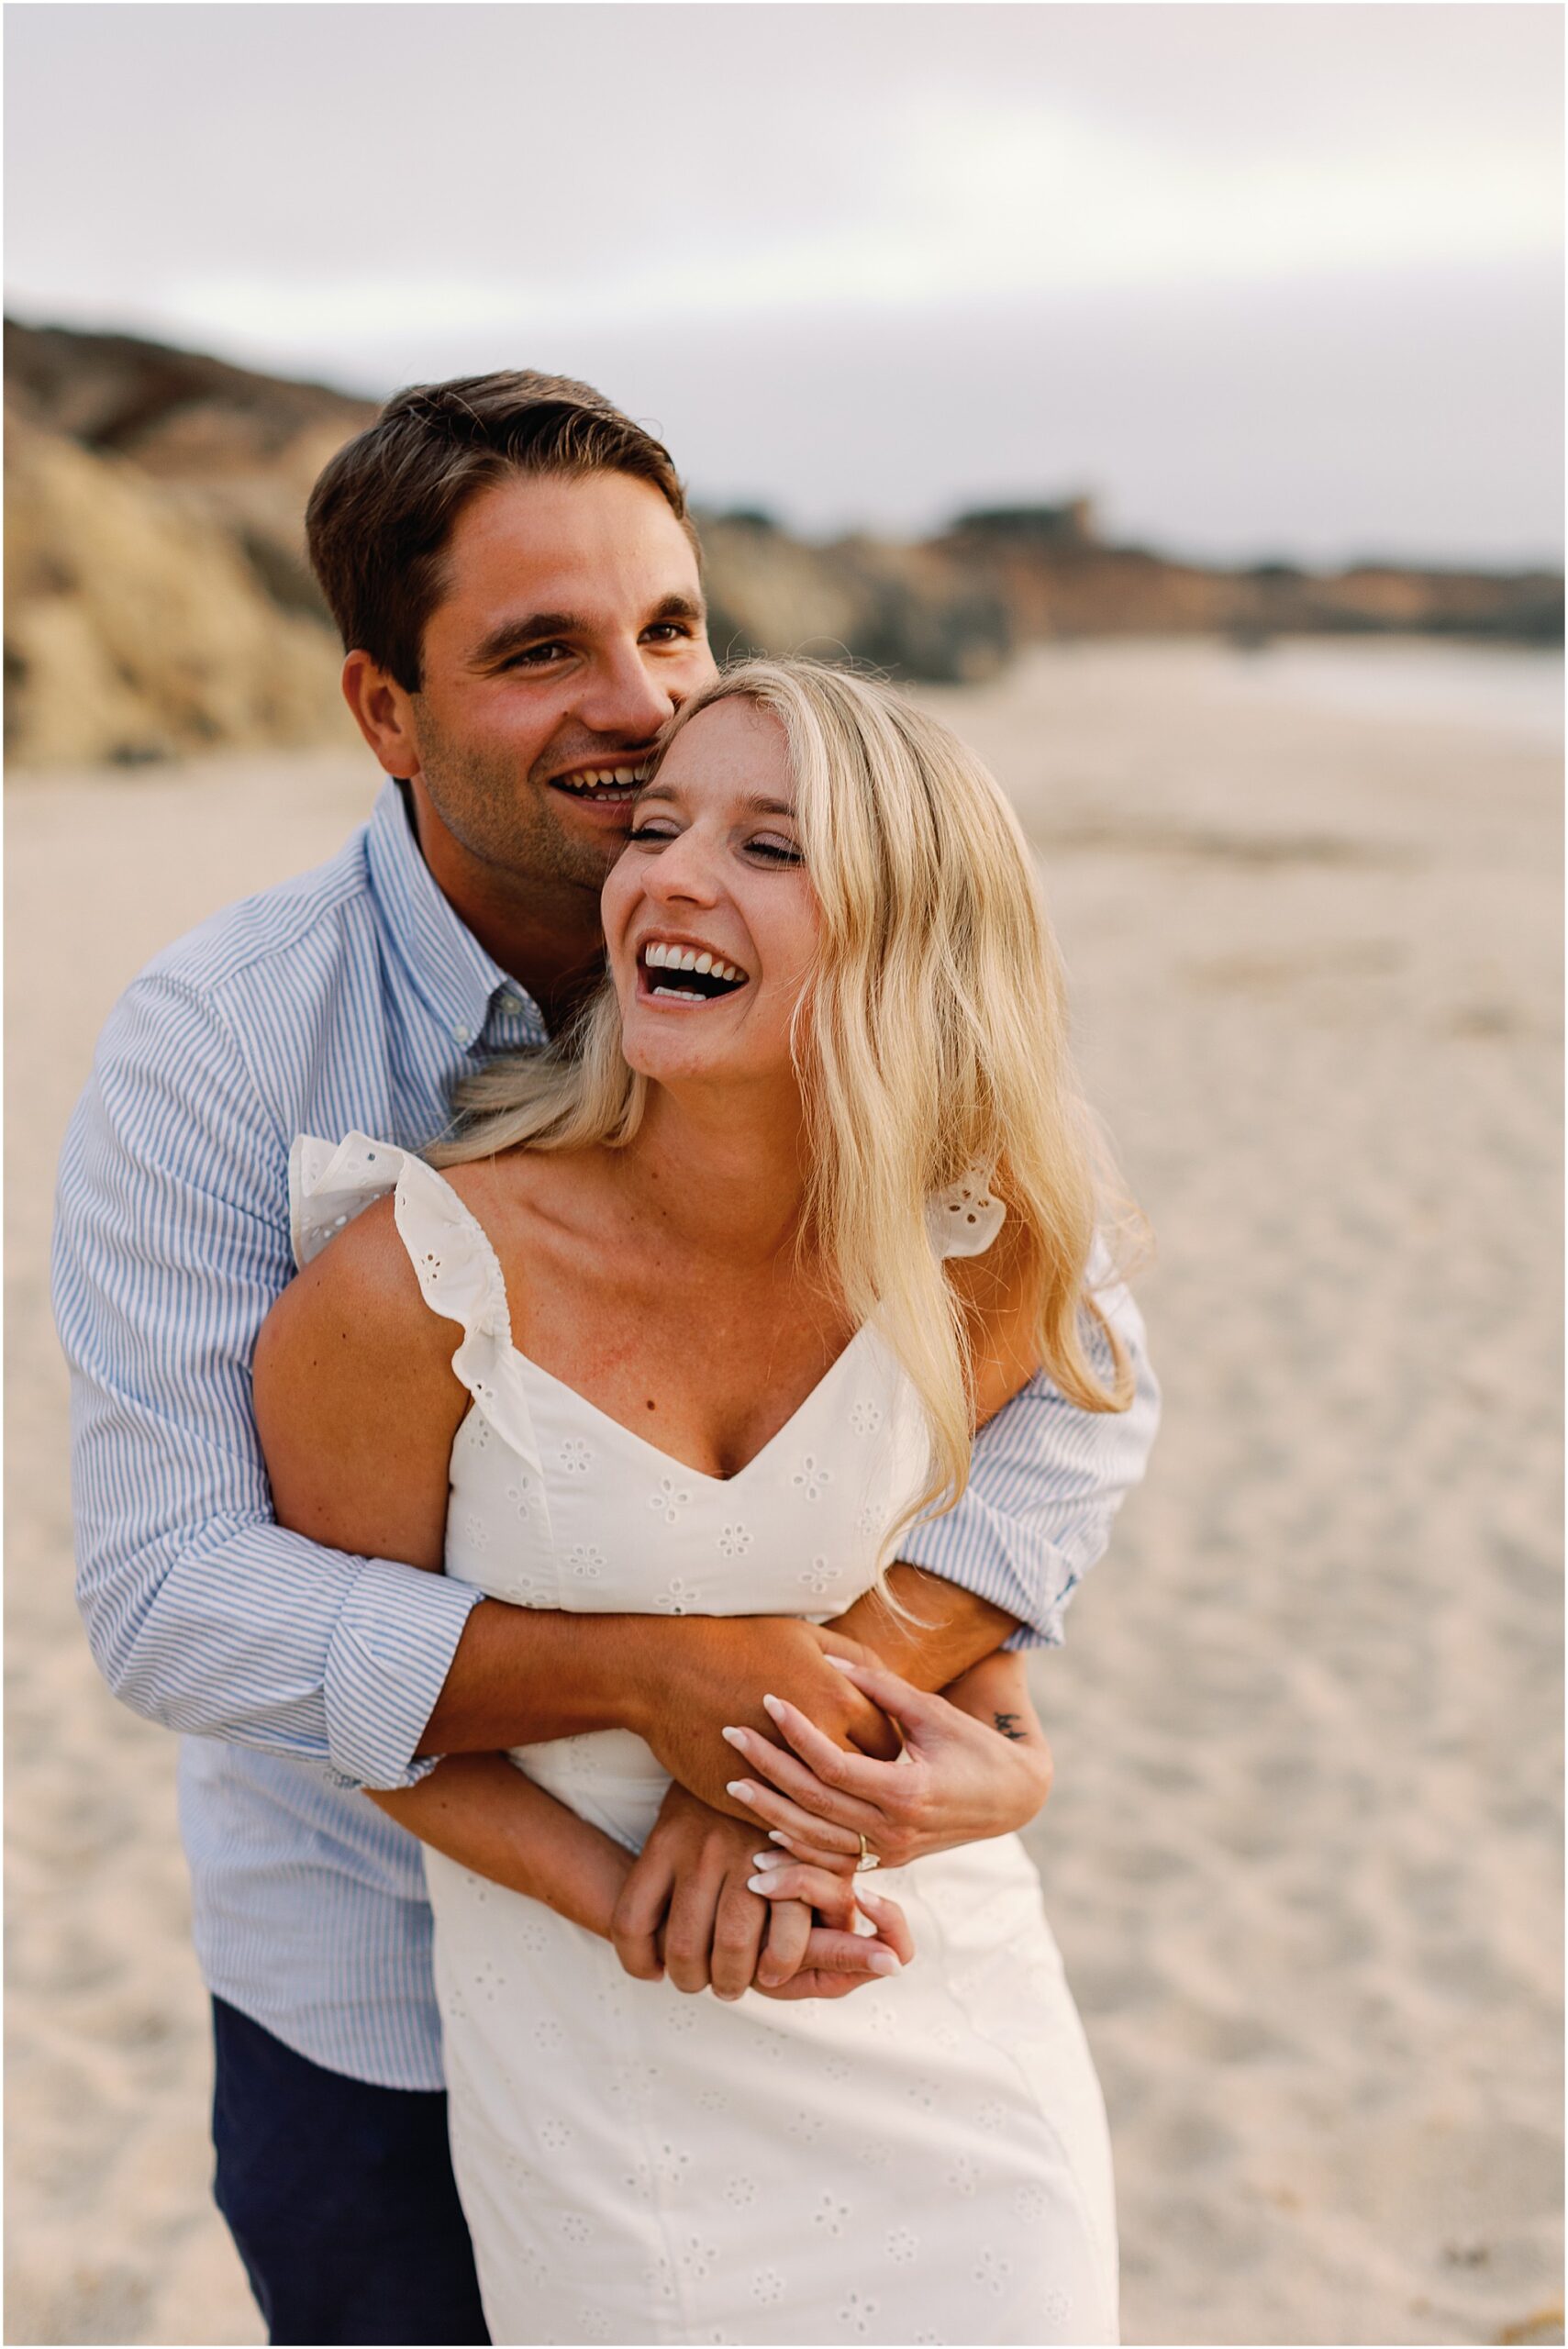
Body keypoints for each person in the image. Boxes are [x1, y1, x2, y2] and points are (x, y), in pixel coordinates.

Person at [52, 373, 1159, 2344]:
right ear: (385, 711)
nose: (639, 703)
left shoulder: (847, 989)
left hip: (852, 1961)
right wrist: (657, 1682)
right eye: (540, 650)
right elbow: (172, 1596)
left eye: (669, 626)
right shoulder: (223, 1050)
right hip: (379, 1988)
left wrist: (796, 1744)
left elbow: (1073, 1391)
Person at [255, 656, 1138, 2344]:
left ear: (911, 931)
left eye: (768, 847)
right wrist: (633, 1902)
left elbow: (968, 1602)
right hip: (613, 2086)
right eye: (657, 829)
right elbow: (344, 1702)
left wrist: (1006, 1764)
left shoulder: (991, 1252)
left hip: (943, 2037)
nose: (668, 878)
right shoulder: (415, 1277)